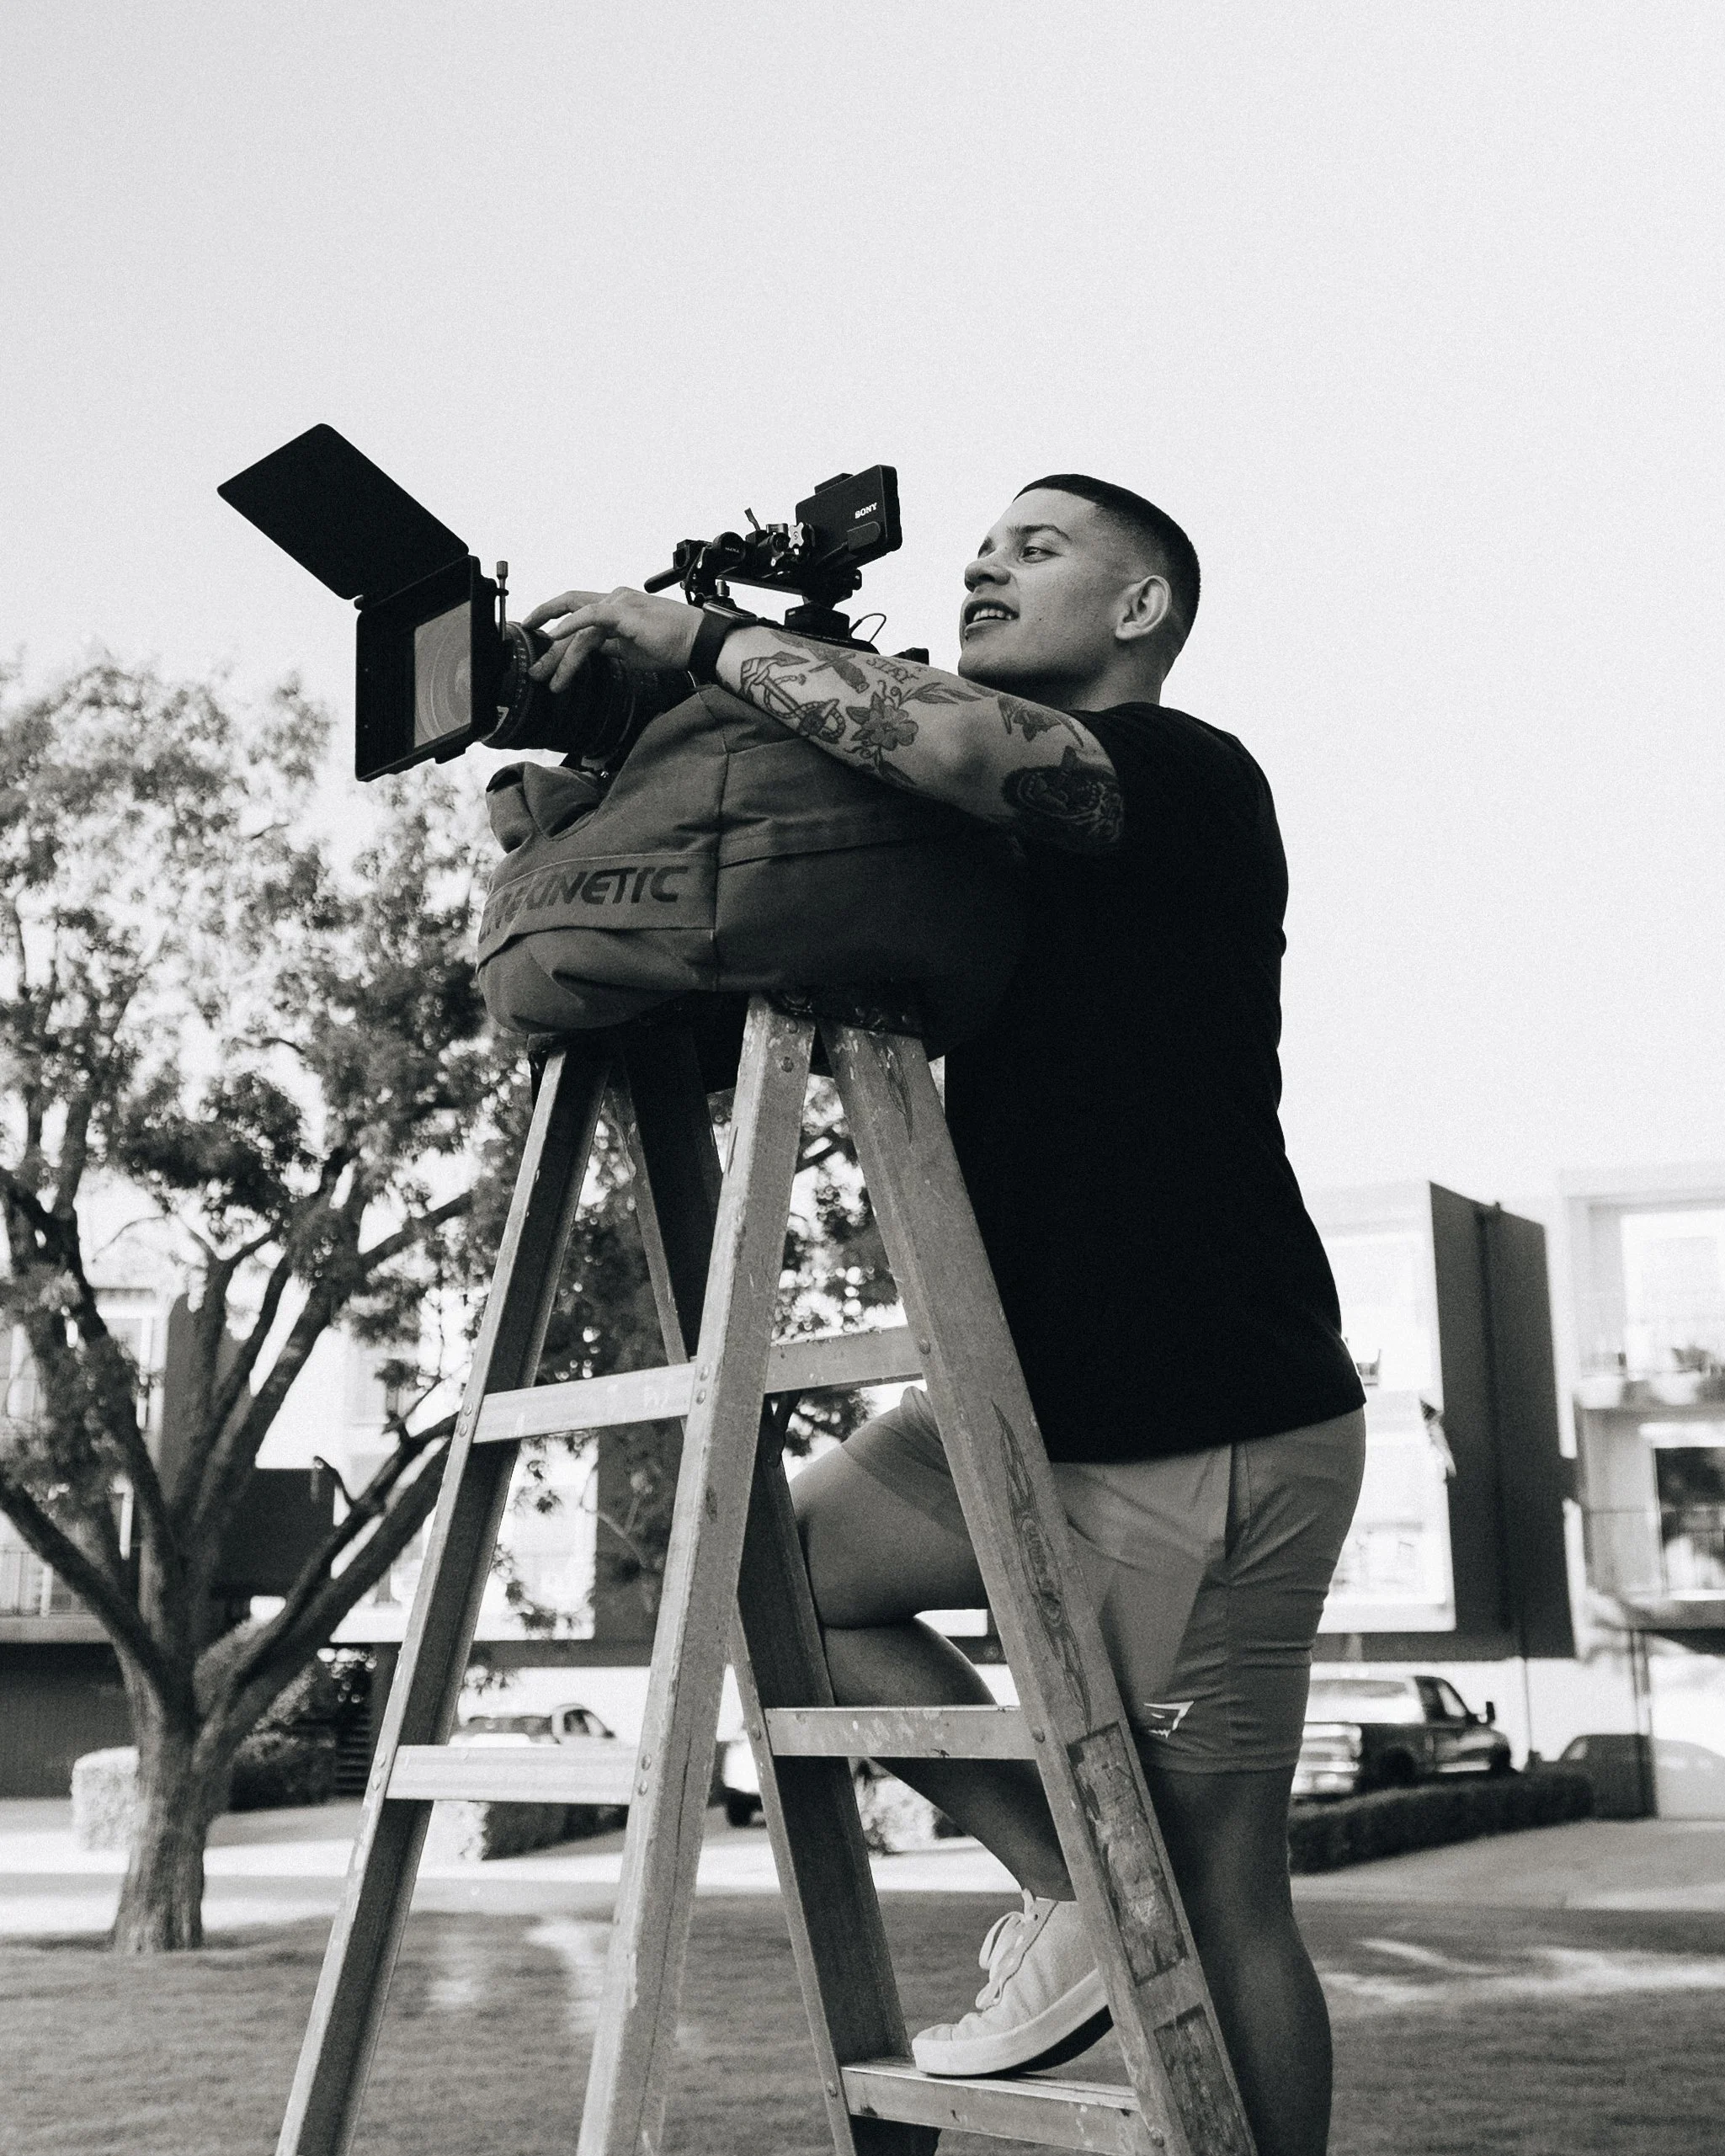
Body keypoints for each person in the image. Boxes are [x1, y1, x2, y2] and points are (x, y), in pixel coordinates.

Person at [526, 476, 1367, 2156]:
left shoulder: (1186, 770)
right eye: (982, 545)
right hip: (1020, 1400)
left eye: (1038, 547)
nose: (985, 559)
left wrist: (694, 630)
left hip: (1209, 1413)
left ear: (1139, 610)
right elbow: (793, 856)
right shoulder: (958, 845)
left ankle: (1125, 1925)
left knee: (1216, 1888)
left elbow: (969, 741)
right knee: (784, 1573)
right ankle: (1068, 1889)